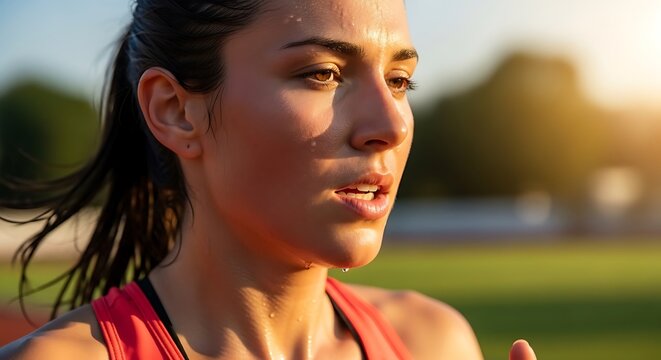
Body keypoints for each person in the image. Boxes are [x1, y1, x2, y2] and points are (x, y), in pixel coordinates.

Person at [0, 0, 537, 359]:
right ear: (174, 111)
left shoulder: (431, 343)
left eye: (400, 81)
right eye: (322, 74)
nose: (391, 125)